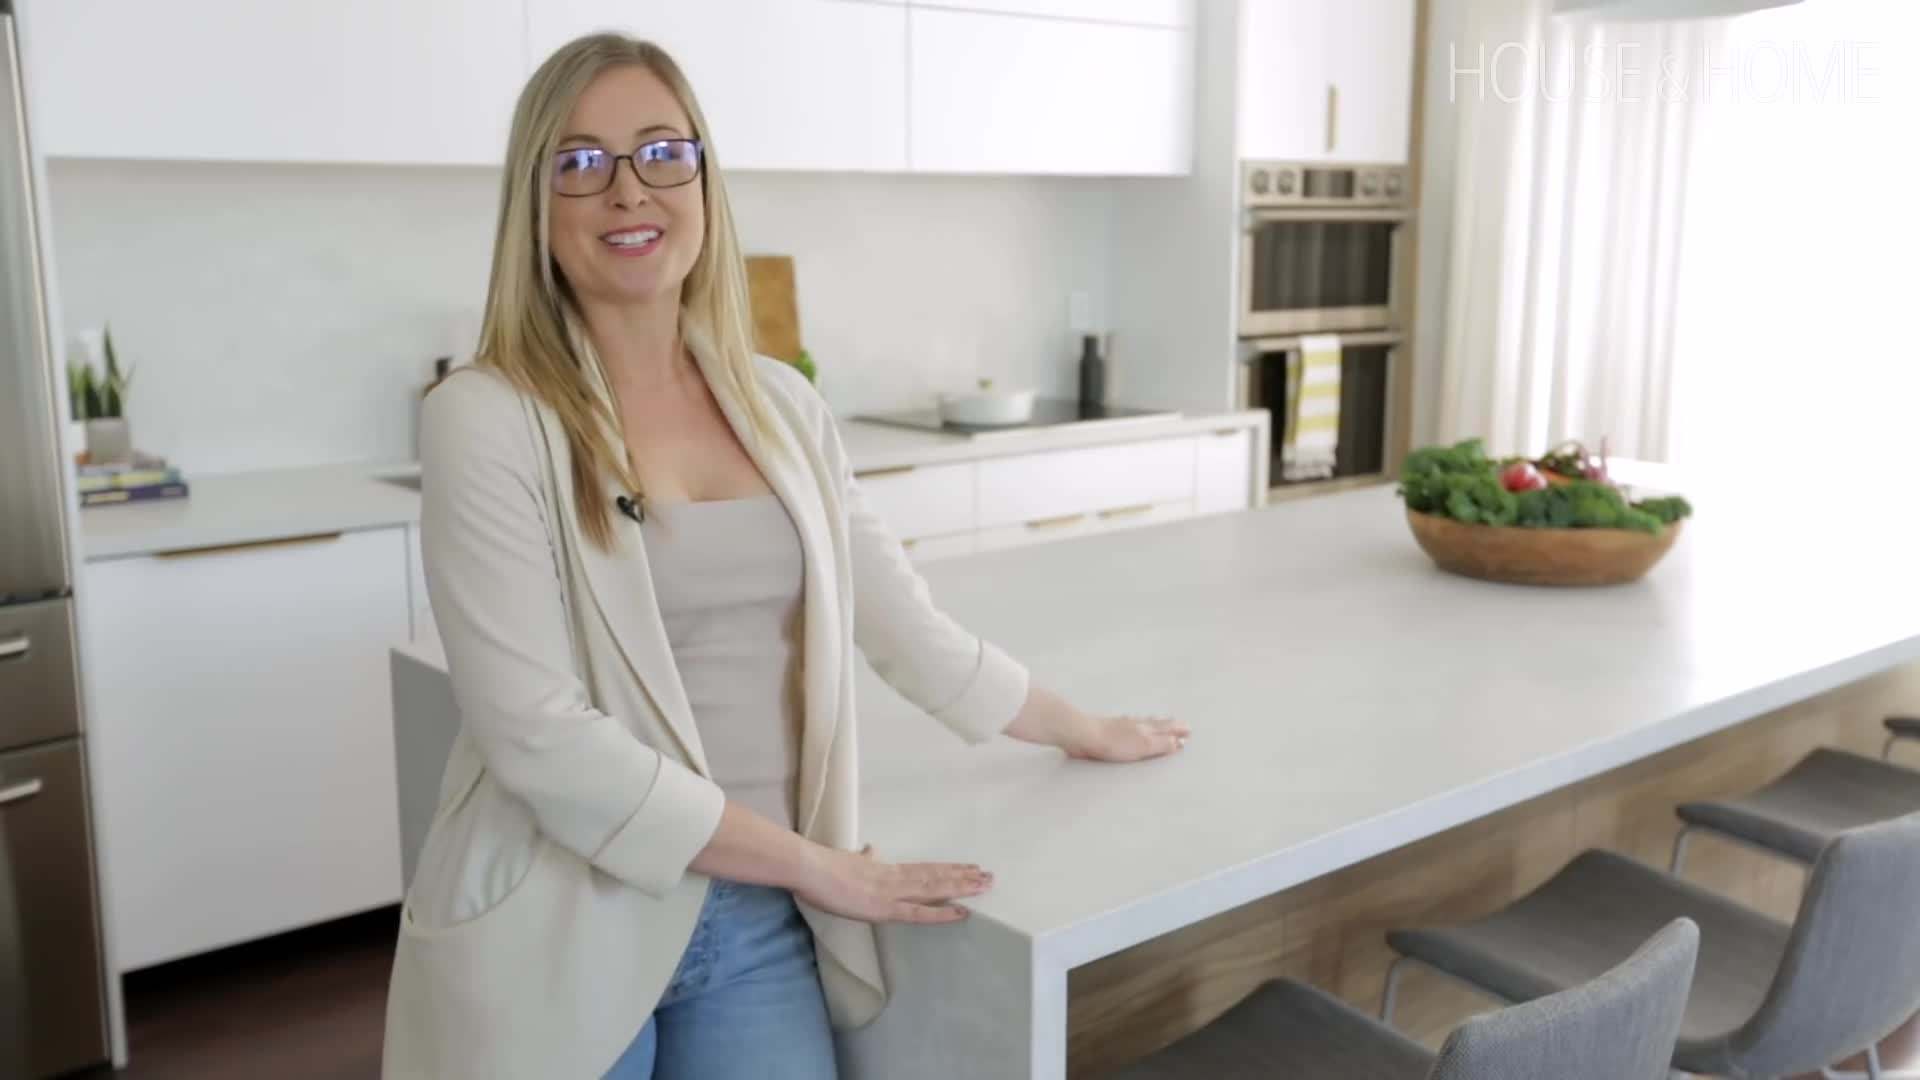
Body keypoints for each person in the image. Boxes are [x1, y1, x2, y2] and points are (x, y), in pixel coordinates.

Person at [381, 32, 1189, 1080]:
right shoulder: (485, 417)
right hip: (560, 914)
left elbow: (902, 626)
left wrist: (1083, 727)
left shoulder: (783, 405)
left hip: (754, 920)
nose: (628, 190)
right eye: (580, 162)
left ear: (704, 179)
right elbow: (538, 737)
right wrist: (821, 868)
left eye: (661, 152)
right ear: (535, 204)